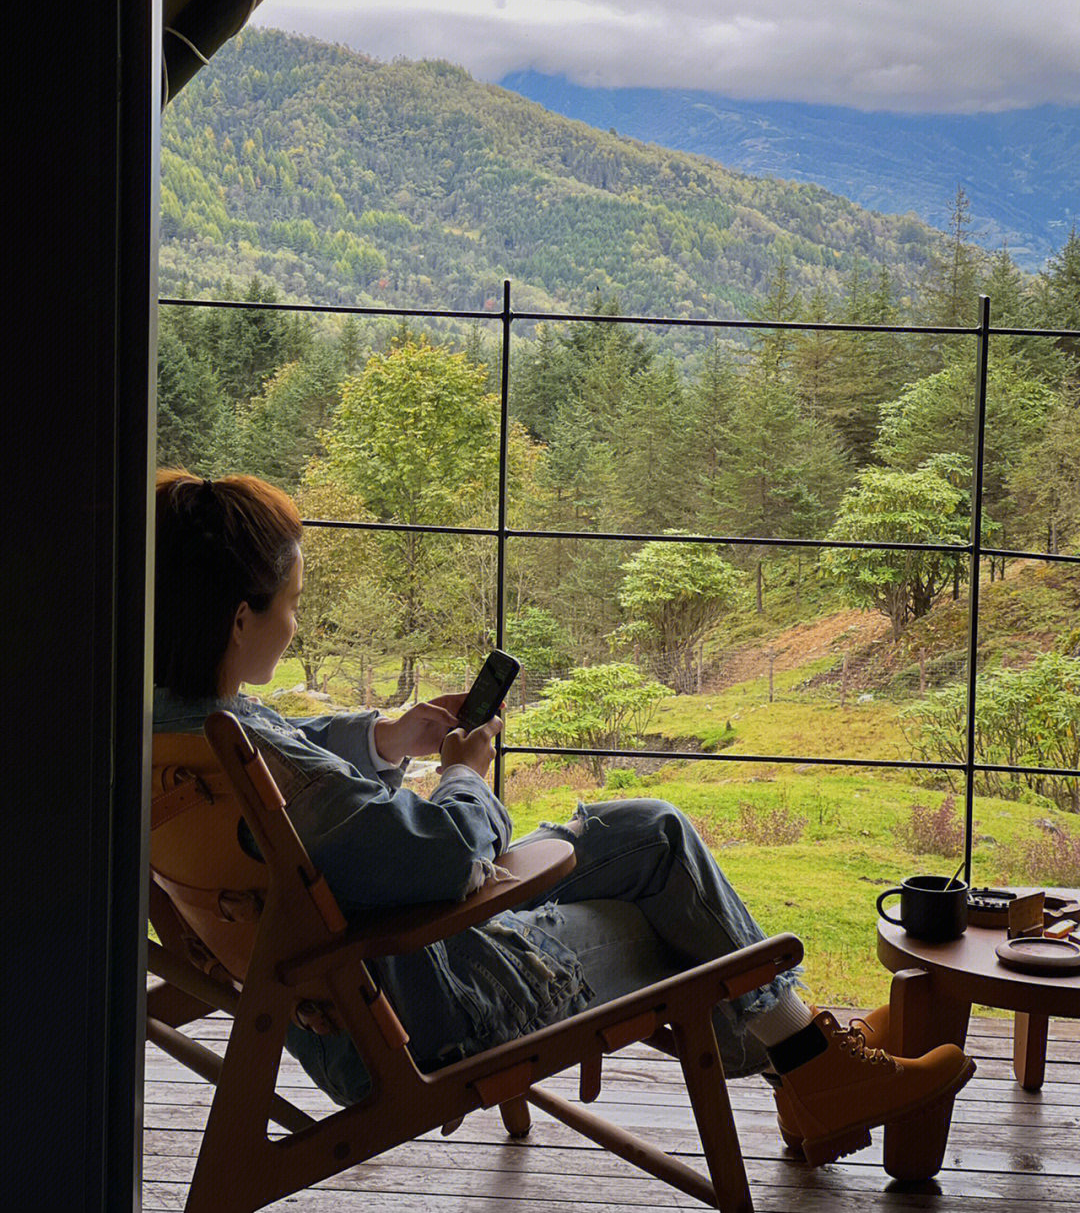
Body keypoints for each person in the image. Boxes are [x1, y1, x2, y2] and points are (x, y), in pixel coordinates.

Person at [153, 468, 975, 1168]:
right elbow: (445, 856)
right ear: (239, 616)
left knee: (650, 830)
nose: (296, 620)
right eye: (292, 601)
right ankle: (808, 1063)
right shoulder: (282, 776)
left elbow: (288, 740)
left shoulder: (170, 731)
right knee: (662, 905)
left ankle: (806, 1057)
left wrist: (385, 733)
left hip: (347, 1000)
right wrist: (463, 775)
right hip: (442, 1008)